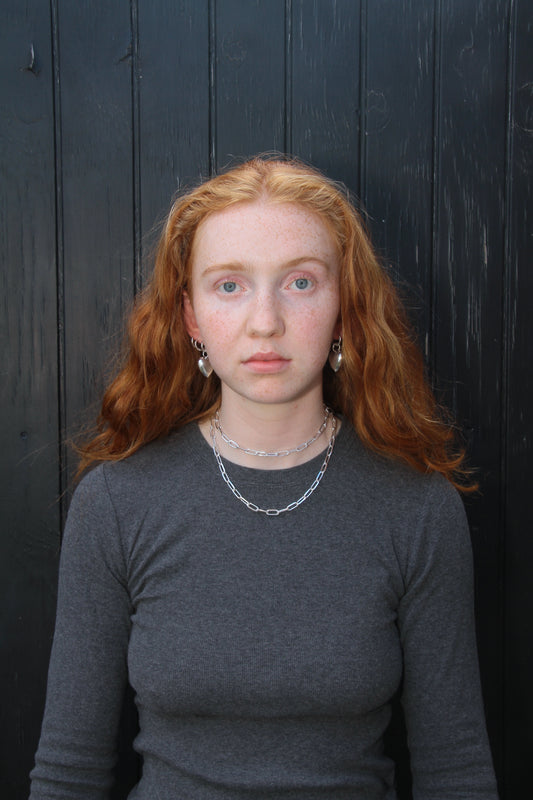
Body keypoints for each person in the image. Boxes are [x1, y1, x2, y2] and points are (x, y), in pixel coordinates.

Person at [30, 156, 498, 799]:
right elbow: (67, 772)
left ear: (344, 305)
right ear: (191, 315)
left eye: (301, 283)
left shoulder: (417, 508)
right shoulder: (116, 504)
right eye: (229, 286)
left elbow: (457, 769)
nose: (266, 322)